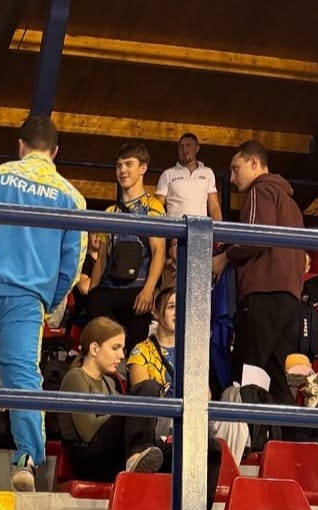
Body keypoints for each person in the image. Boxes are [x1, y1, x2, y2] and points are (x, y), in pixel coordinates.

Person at [0, 115, 86, 492]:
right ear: (55, 151)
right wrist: (47, 301)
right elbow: (71, 265)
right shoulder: (71, 196)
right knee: (23, 380)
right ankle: (25, 459)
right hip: (26, 297)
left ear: (20, 146)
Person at [211, 141, 304, 405]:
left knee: (246, 371)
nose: (232, 178)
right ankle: (289, 432)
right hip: (289, 296)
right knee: (274, 376)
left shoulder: (259, 190)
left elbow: (255, 237)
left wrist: (224, 257)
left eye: (235, 168)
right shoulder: (290, 203)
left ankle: (245, 431)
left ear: (254, 163)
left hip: (262, 293)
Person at [128, 286, 248, 468]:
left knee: (234, 414)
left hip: (193, 413)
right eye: (171, 307)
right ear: (156, 313)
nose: (177, 313)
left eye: (181, 307)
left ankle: (227, 471)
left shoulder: (192, 351)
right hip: (162, 418)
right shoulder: (141, 350)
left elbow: (205, 394)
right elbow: (143, 396)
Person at [57, 316, 165, 478]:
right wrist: (126, 410)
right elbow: (88, 432)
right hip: (89, 459)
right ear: (95, 349)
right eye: (115, 348)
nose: (121, 356)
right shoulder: (76, 377)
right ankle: (136, 453)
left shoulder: (110, 382)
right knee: (148, 388)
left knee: (178, 451)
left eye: (122, 349)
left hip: (112, 454)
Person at [86, 141, 166, 350]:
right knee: (100, 350)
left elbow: (159, 251)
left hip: (137, 292)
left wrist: (148, 290)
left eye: (129, 164)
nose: (122, 170)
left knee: (135, 352)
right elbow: (102, 258)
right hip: (108, 289)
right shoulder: (110, 212)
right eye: (119, 165)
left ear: (143, 168)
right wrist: (92, 294)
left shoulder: (153, 206)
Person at [155, 132, 222, 222]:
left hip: (200, 227)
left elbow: (214, 206)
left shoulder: (207, 172)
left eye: (188, 145)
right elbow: (157, 204)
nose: (184, 150)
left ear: (197, 148)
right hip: (175, 227)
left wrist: (218, 227)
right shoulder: (168, 174)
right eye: (181, 146)